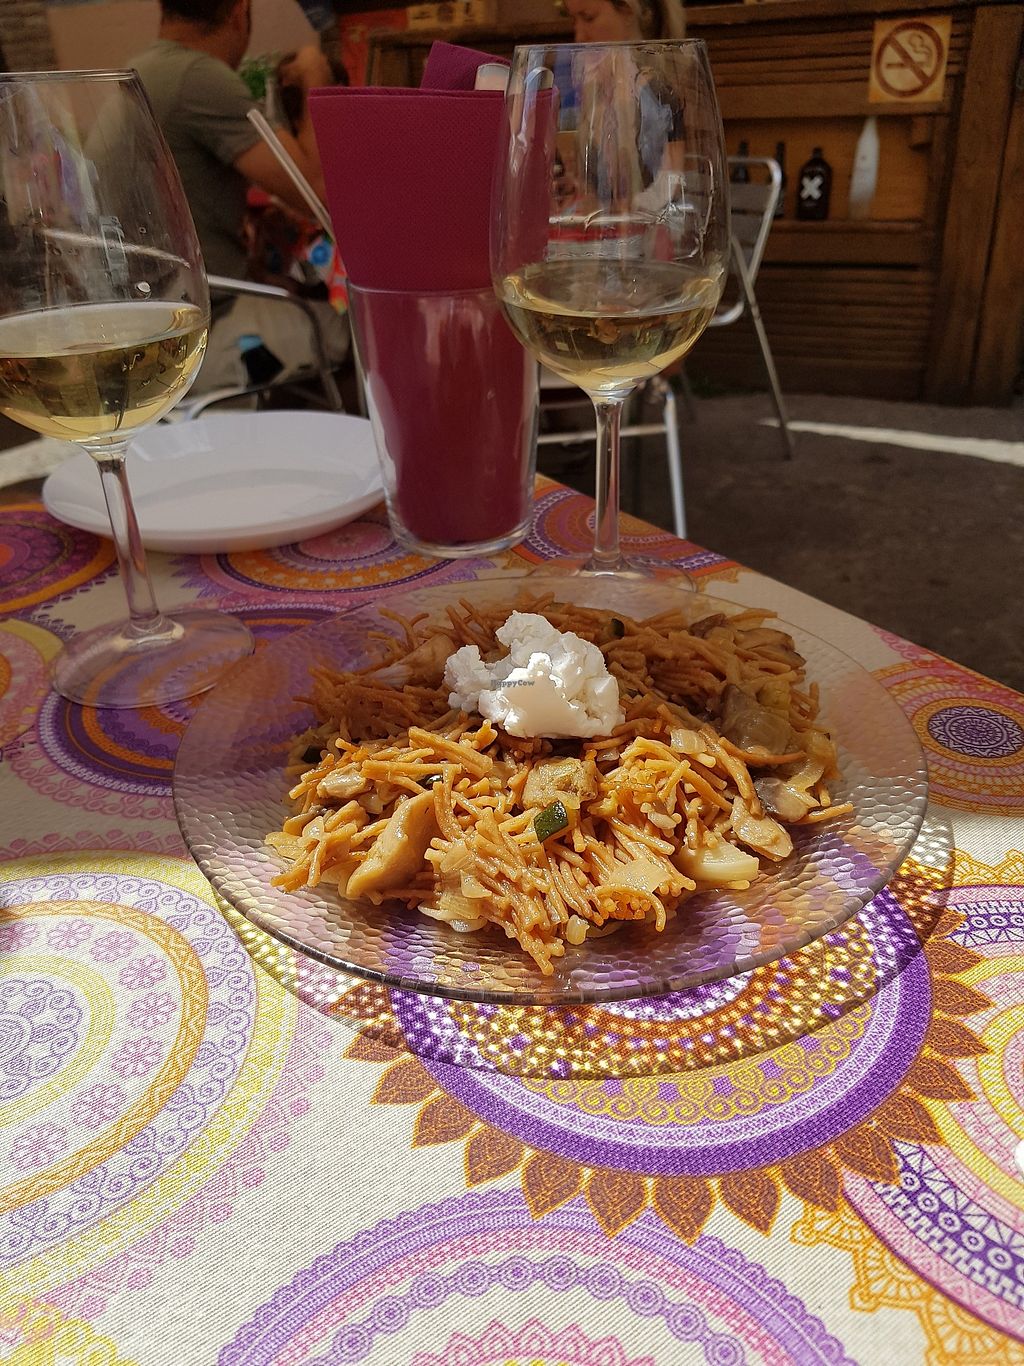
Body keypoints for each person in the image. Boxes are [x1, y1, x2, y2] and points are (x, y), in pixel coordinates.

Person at [129, 0, 347, 393]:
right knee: (351, 325)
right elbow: (320, 192)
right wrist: (315, 73)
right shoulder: (197, 76)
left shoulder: (141, 69)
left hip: (144, 323)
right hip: (201, 335)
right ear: (239, 11)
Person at [562, 0, 686, 43]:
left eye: (589, 17)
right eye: (574, 20)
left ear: (628, 10)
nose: (579, 37)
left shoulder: (656, 87)